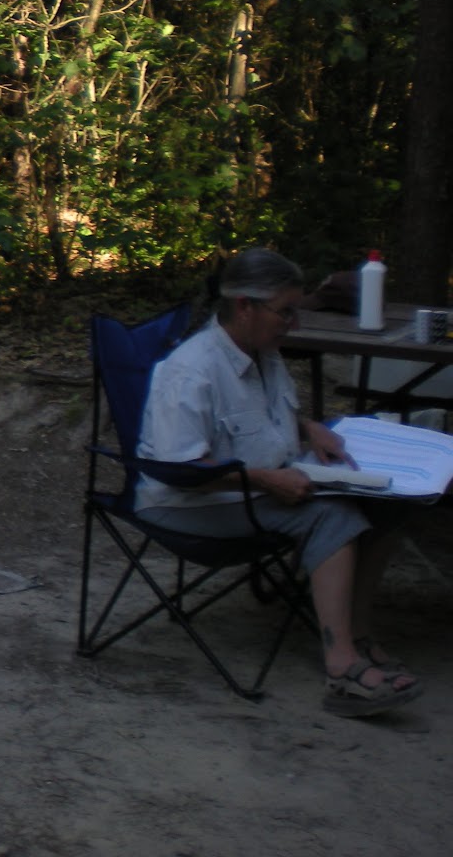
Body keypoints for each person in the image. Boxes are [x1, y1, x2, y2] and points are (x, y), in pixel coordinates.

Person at [134, 247, 421, 717]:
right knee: (330, 513)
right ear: (244, 306)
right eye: (285, 311)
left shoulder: (263, 352)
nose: (294, 323)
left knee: (389, 503)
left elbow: (259, 419)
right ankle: (343, 670)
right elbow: (181, 471)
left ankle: (358, 634)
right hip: (189, 503)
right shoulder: (191, 370)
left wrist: (308, 428)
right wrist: (267, 480)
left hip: (256, 486)